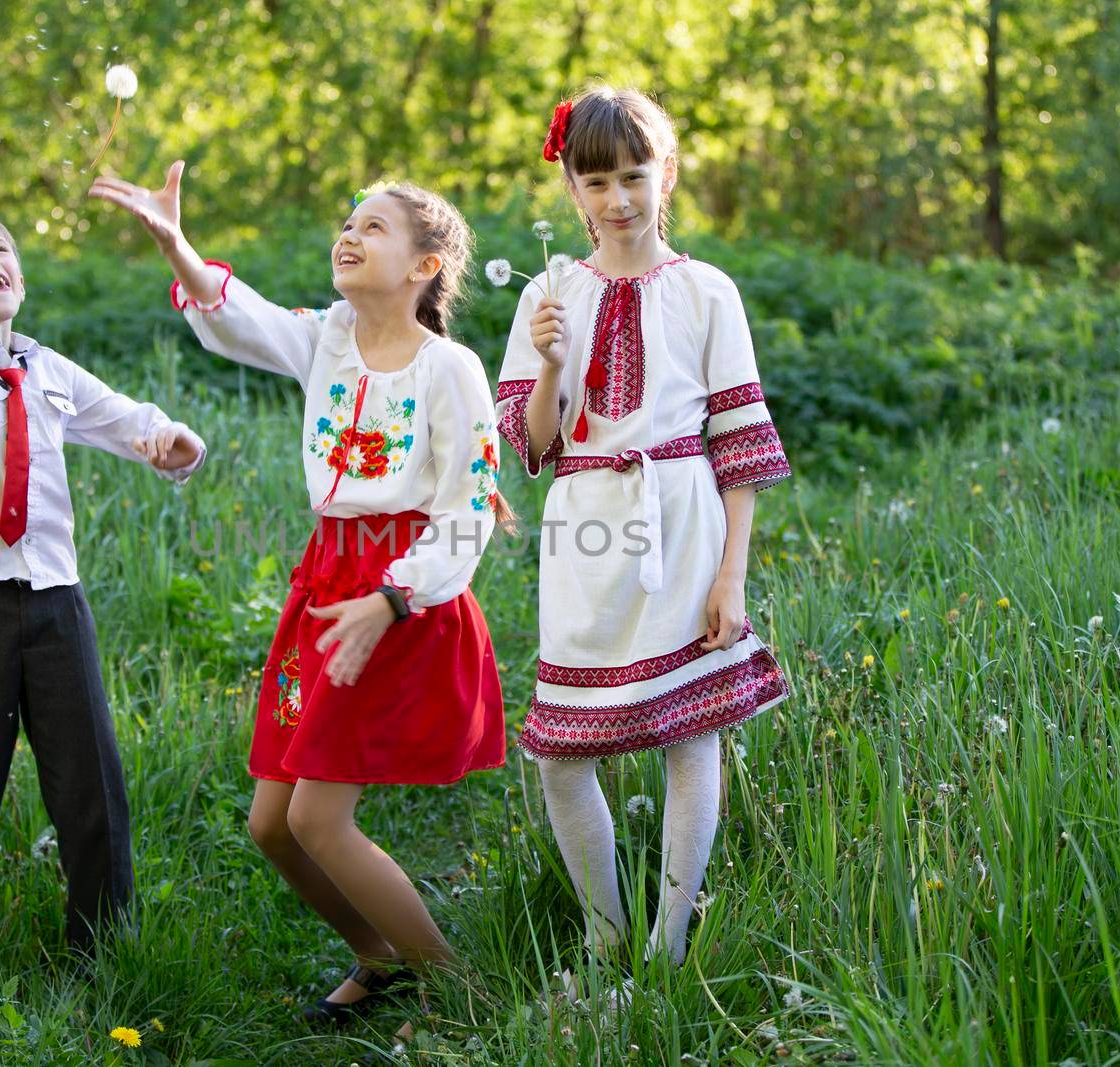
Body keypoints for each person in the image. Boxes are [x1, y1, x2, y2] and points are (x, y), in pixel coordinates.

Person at [90, 168, 505, 1021]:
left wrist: (392, 597)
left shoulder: (450, 369)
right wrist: (176, 244)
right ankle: (377, 955)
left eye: (375, 228)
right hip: (324, 585)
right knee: (271, 825)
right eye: (346, 223)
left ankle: (461, 992)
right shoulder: (327, 340)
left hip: (399, 598)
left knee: (318, 818)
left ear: (426, 265)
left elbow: (471, 508)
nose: (348, 236)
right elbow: (240, 320)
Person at [0, 39, 206, 973]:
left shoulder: (47, 367)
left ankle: (101, 955)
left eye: (1, 250)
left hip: (56, 602)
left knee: (92, 787)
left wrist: (174, 443)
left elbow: (135, 421)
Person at [496, 86, 791, 965]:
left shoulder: (706, 291)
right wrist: (549, 363)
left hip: (684, 516)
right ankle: (604, 933)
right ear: (572, 192)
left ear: (666, 173)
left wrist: (730, 574)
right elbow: (536, 444)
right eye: (596, 182)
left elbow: (739, 444)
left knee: (690, 736)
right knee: (562, 755)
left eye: (633, 175)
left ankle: (666, 946)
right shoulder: (548, 295)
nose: (618, 199)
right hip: (585, 530)